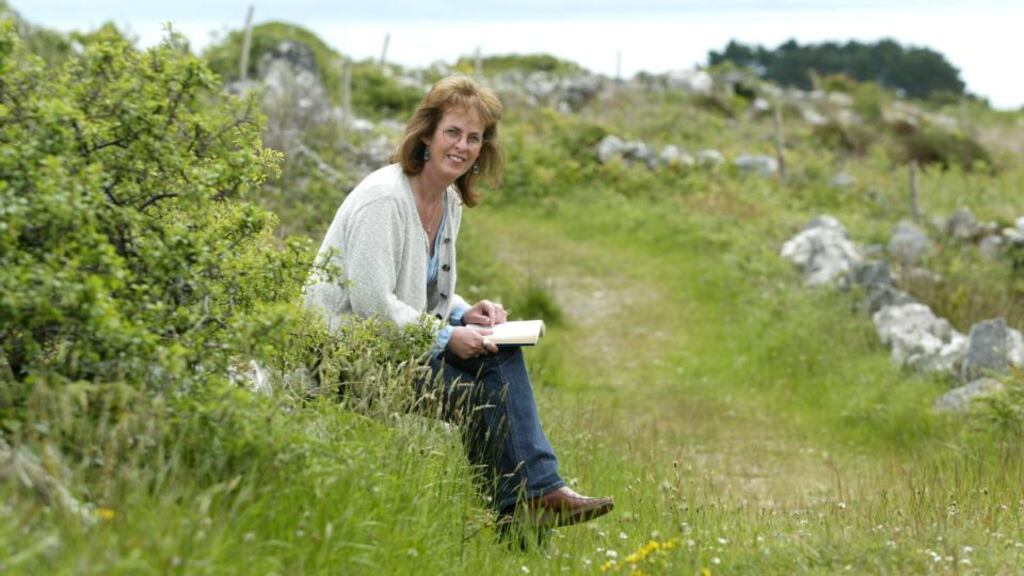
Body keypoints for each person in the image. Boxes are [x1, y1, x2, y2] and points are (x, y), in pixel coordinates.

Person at [304, 75, 612, 529]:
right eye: (452, 132)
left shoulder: (448, 200)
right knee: (479, 398)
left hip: (398, 344)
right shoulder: (383, 199)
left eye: (474, 137)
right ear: (426, 134)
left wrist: (464, 312)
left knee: (502, 353)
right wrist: (446, 337)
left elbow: (423, 290)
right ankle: (522, 510)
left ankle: (538, 498)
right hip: (344, 354)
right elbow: (373, 304)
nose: (462, 146)